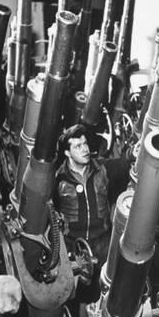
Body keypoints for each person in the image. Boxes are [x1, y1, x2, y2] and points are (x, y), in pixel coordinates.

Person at [55, 124, 112, 305]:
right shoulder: (58, 179)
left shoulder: (102, 170)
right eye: (78, 146)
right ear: (67, 153)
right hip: (74, 246)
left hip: (103, 243)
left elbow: (126, 165)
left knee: (105, 290)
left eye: (85, 144)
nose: (85, 149)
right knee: (77, 295)